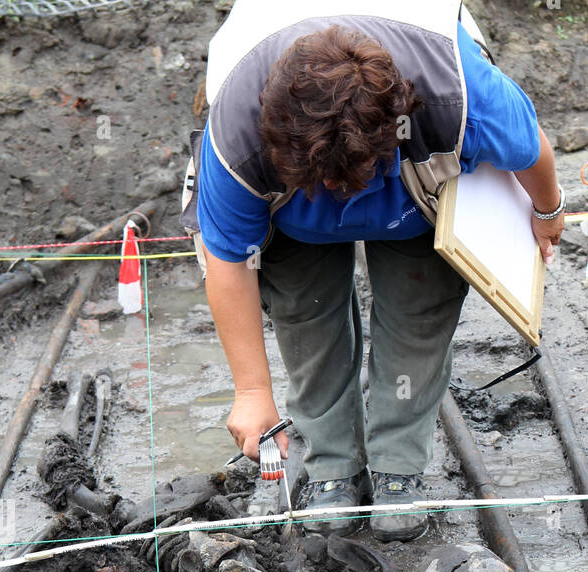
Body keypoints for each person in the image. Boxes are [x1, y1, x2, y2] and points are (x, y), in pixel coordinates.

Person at [187, 1, 564, 541]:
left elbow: (530, 149)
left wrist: (548, 212)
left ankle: (397, 472)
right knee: (303, 311)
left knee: (420, 309)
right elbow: (229, 265)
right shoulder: (238, 135)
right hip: (292, 212)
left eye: (348, 177)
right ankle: (331, 469)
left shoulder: (456, 93)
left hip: (409, 193)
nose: (341, 193)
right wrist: (251, 392)